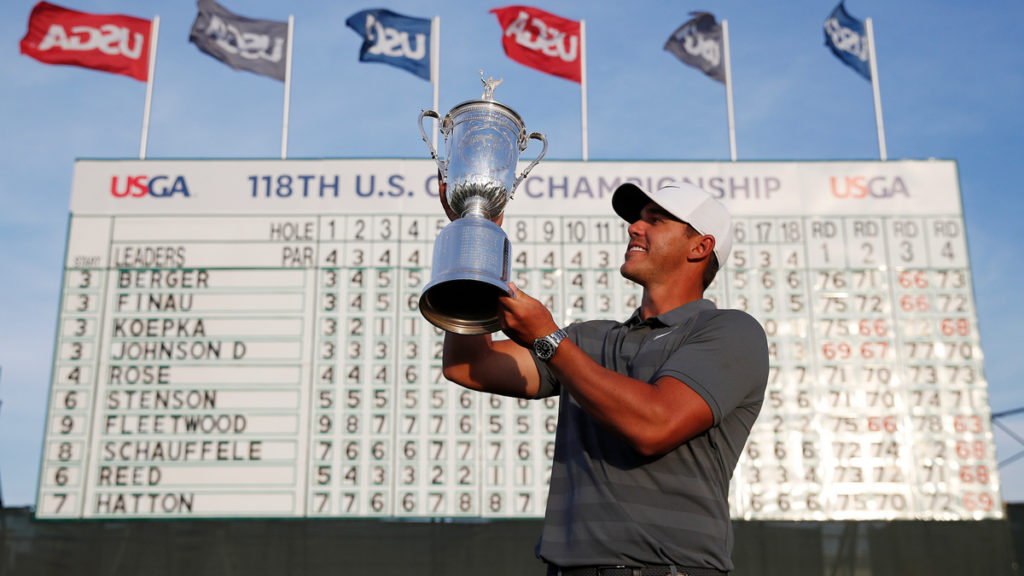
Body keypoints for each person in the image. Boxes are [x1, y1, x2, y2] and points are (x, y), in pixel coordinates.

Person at [442, 179, 770, 576]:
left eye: (656, 220)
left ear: (700, 247)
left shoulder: (731, 331)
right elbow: (469, 364)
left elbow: (655, 424)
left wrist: (549, 339)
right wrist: (476, 239)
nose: (634, 227)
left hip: (671, 568)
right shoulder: (587, 338)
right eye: (637, 219)